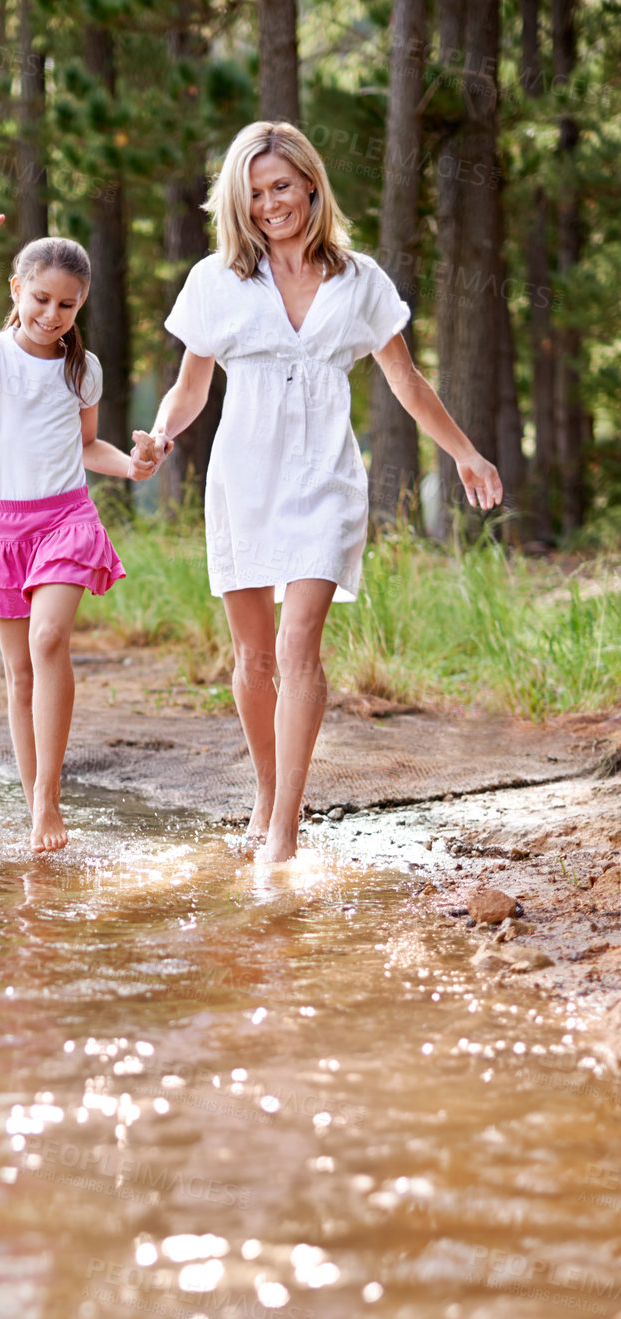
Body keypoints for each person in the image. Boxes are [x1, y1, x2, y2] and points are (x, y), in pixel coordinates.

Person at [133, 121, 503, 864]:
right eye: (255, 192)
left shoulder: (360, 278)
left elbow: (405, 377)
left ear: (310, 183)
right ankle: (267, 792)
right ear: (239, 202)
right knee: (253, 656)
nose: (271, 204)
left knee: (299, 643)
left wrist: (462, 451)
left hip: (326, 476)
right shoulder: (216, 280)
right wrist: (160, 435)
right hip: (244, 475)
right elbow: (190, 385)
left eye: (281, 187)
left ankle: (284, 830)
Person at [0, 213, 156, 852]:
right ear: (18, 290)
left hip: (65, 519)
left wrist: (131, 466)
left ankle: (50, 799)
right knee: (19, 676)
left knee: (50, 640)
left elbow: (86, 446)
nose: (53, 314)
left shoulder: (83, 370)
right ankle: (36, 814)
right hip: (3, 528)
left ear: (82, 306)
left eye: (67, 305)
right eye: (42, 298)